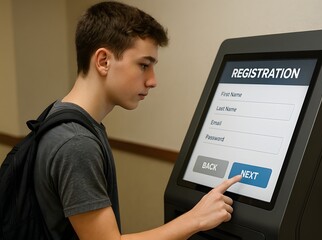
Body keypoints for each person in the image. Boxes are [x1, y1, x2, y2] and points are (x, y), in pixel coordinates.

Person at [34, 1, 242, 239]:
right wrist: (195, 219)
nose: (152, 81)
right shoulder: (77, 142)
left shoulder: (60, 116)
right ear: (103, 61)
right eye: (144, 65)